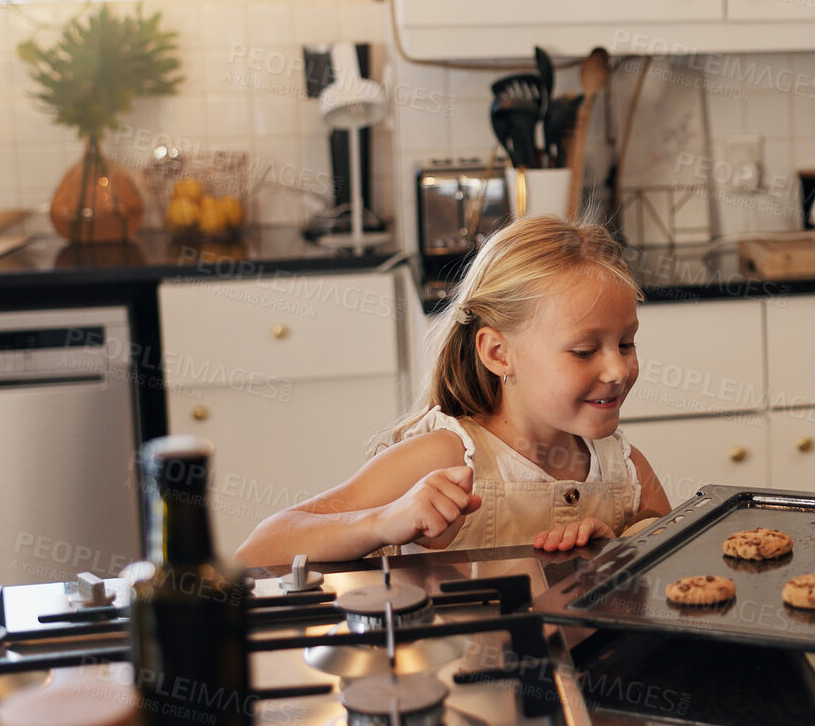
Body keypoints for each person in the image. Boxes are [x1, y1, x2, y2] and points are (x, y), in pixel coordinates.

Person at [236, 215, 671, 566]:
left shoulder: (626, 468)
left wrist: (617, 547)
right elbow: (259, 552)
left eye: (626, 343)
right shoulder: (443, 459)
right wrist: (385, 521)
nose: (617, 369)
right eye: (583, 351)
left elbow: (669, 564)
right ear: (499, 353)